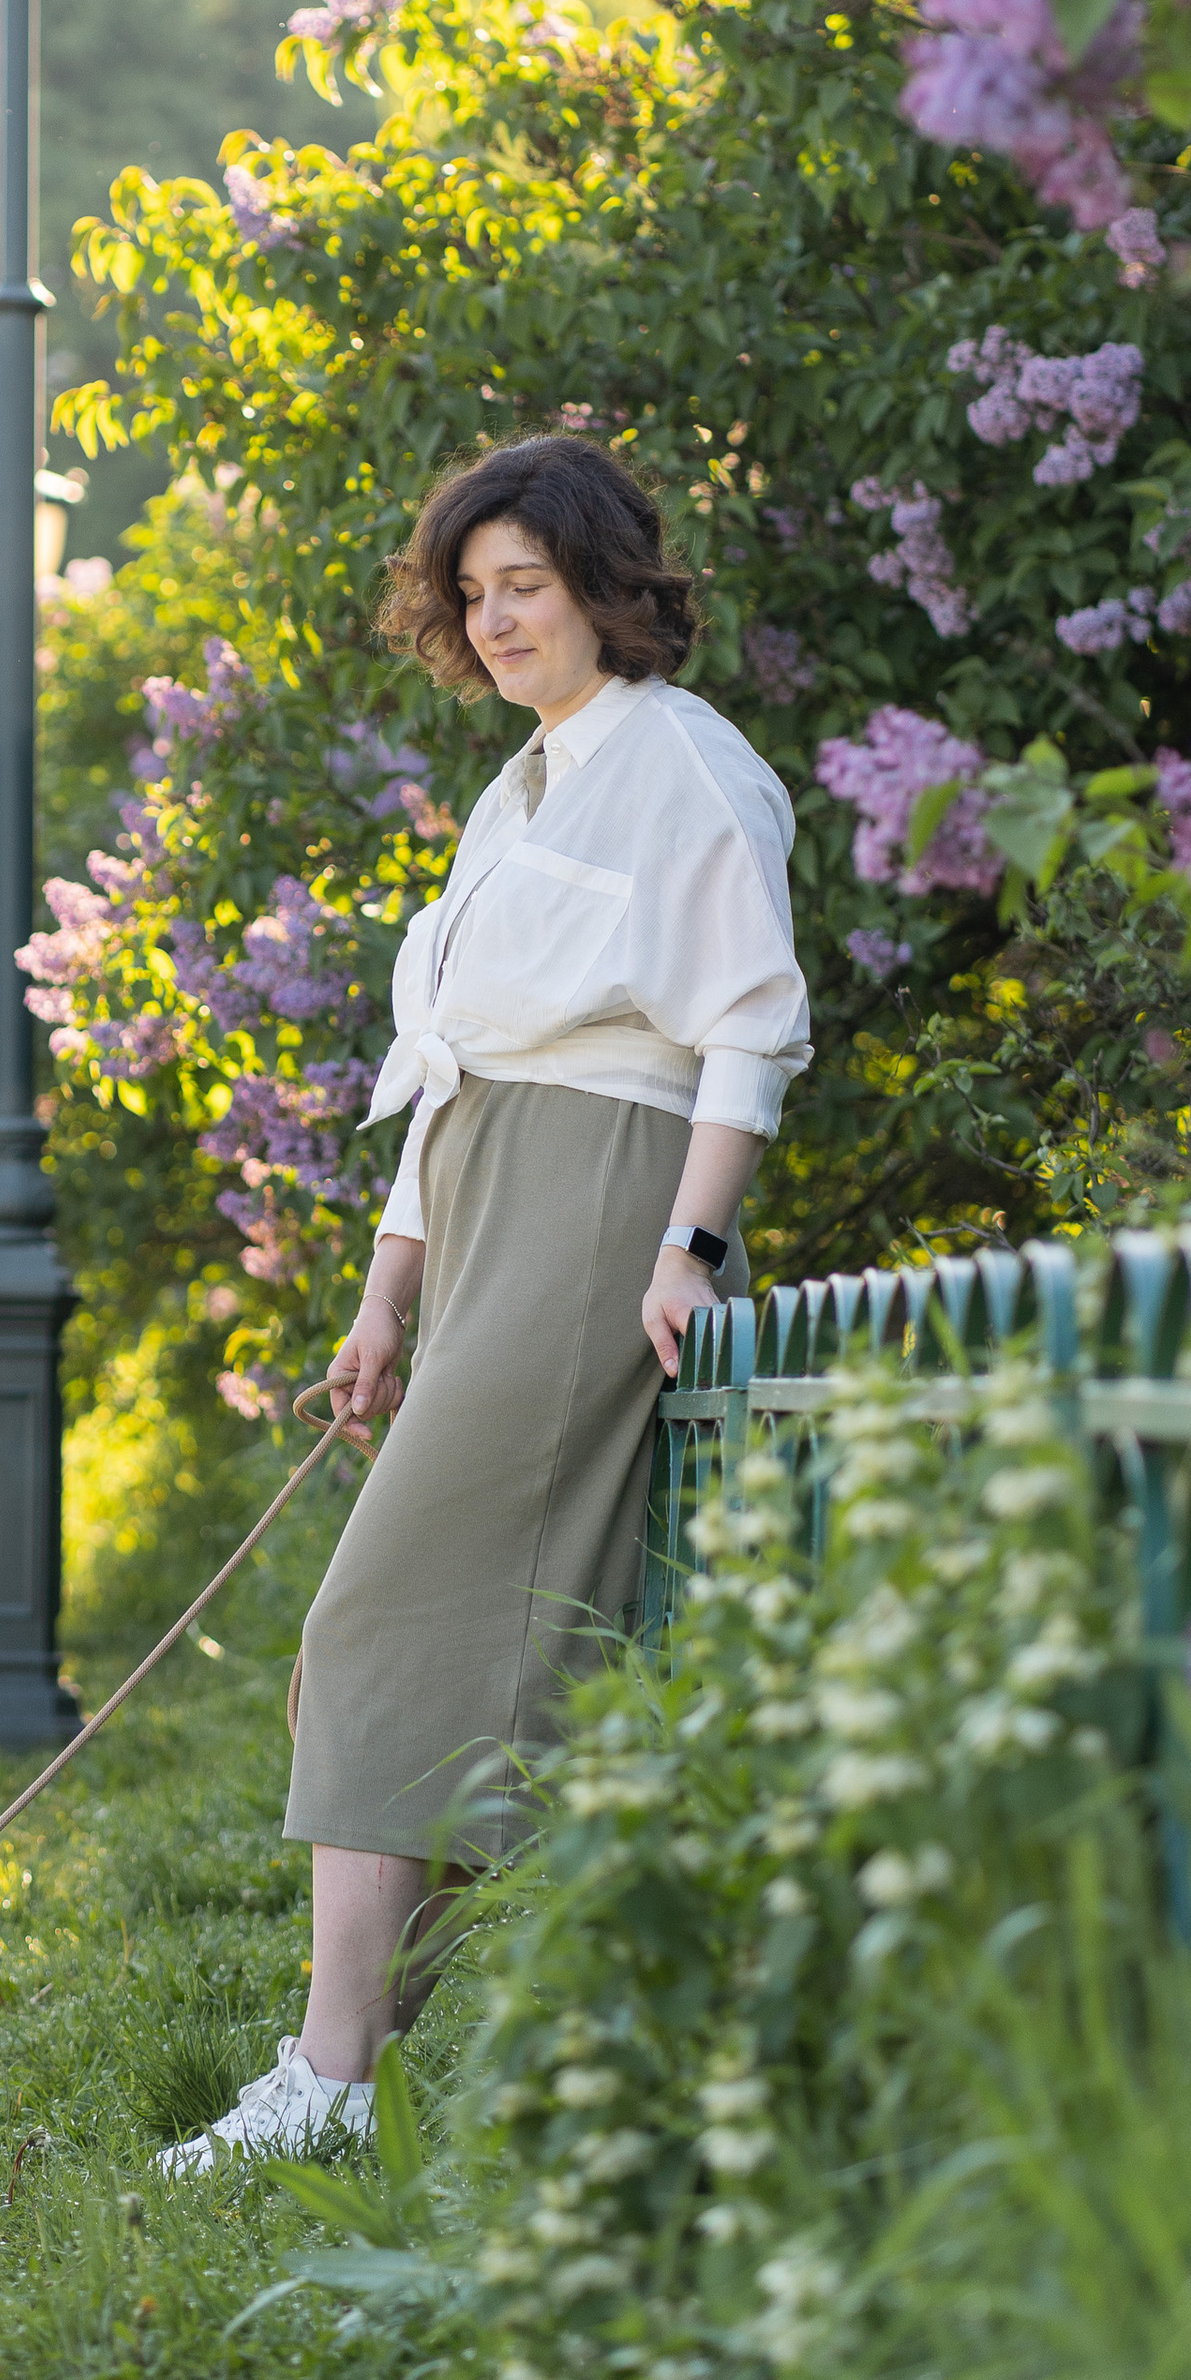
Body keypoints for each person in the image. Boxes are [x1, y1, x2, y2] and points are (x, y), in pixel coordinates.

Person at [161, 433, 808, 2171]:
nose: (499, 619)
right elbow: (447, 1071)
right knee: (416, 1643)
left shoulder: (686, 764)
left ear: (606, 586)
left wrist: (686, 1248)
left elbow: (749, 1021)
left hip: (603, 1195)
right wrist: (386, 1295)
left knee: (375, 1621)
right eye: (474, 593)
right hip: (485, 1200)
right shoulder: (520, 791)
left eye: (527, 584)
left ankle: (329, 2078)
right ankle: (366, 2062)